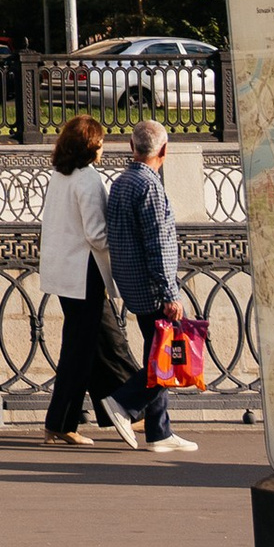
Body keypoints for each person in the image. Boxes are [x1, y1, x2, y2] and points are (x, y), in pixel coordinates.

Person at [38, 110, 138, 447]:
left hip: (65, 273)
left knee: (101, 343)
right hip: (85, 273)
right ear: (90, 147)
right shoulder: (89, 179)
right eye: (100, 143)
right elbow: (96, 234)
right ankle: (64, 421)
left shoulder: (60, 176)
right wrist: (124, 245)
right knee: (85, 349)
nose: (103, 149)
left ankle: (126, 409)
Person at [103, 116, 198, 456]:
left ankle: (159, 432)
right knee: (167, 359)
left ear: (132, 147)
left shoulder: (121, 182)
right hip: (154, 287)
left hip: (130, 283)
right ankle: (124, 402)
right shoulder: (151, 188)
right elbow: (159, 244)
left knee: (158, 354)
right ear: (164, 150)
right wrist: (171, 294)